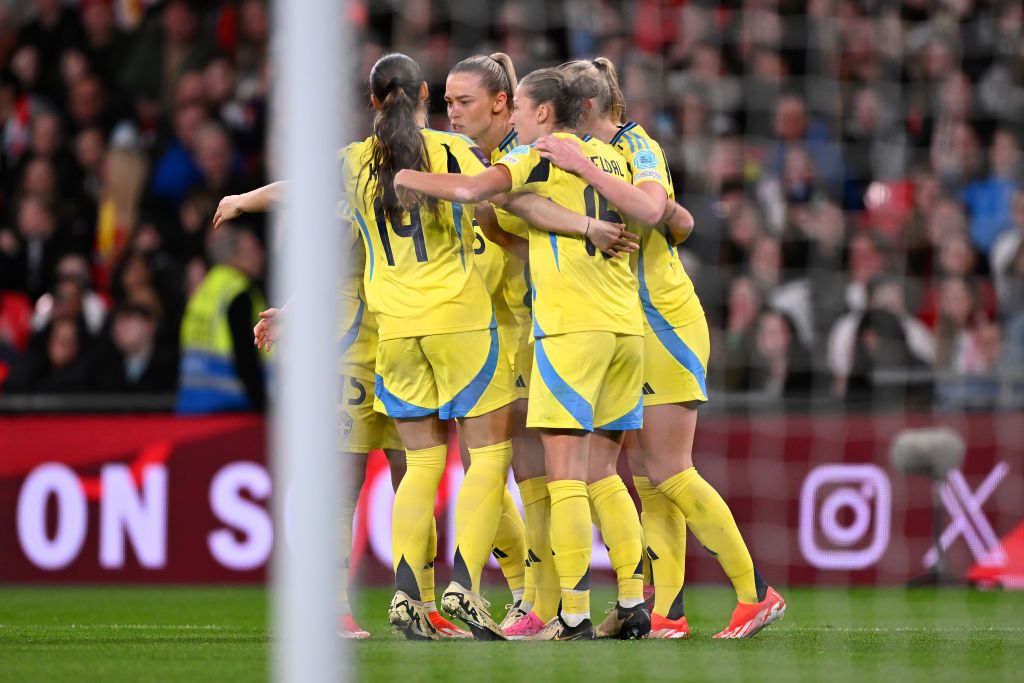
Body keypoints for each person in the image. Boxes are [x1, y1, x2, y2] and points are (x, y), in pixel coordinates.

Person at [396, 67, 658, 641]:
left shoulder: (537, 153)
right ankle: (635, 600)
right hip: (625, 329)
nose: (511, 116)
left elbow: (472, 190)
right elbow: (547, 222)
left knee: (559, 478)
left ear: (542, 113)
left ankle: (571, 612)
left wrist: (411, 175)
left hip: (568, 330)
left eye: (517, 107)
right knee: (604, 475)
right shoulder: (612, 158)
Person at [532, 58, 786, 639]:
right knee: (645, 477)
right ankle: (666, 610)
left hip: (664, 320)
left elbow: (650, 208)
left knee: (671, 468)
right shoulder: (595, 154)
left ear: (588, 108)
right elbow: (672, 218)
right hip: (629, 324)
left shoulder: (635, 145)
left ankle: (755, 593)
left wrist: (655, 206)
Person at [344, 53, 521, 641]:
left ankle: (404, 592)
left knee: (420, 464)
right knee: (488, 455)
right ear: (425, 93)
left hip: (394, 329)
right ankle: (464, 586)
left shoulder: (350, 163)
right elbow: (498, 212)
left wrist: (242, 200)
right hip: (461, 321)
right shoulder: (454, 152)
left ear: (373, 101)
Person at [175, 223, 266, 413]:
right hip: (231, 409)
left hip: (191, 406)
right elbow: (245, 358)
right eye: (252, 249)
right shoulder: (238, 292)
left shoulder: (204, 289)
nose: (260, 256)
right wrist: (263, 406)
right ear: (233, 256)